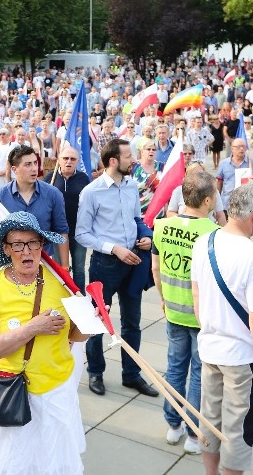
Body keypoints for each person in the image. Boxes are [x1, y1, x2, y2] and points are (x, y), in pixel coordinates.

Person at [0, 211, 89, 475]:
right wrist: (32, 329)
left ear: (41, 245)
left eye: (33, 243)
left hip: (55, 391)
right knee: (17, 465)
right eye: (18, 244)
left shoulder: (62, 283)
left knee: (55, 465)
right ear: (6, 249)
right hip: (13, 392)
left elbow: (75, 336)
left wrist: (92, 323)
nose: (26, 251)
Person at [191, 184, 253, 475]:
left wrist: (213, 329)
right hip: (243, 357)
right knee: (239, 429)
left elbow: (197, 296)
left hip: (210, 348)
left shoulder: (205, 242)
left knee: (210, 421)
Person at [76, 138, 158, 397]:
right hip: (105, 265)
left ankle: (131, 375)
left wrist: (146, 237)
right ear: (113, 161)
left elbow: (137, 219)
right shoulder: (91, 192)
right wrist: (114, 249)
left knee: (132, 323)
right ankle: (96, 373)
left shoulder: (132, 186)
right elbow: (82, 234)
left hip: (133, 262)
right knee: (97, 322)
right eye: (128, 156)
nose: (133, 160)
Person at [152, 171, 219, 455]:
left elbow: (155, 268)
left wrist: (164, 299)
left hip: (173, 310)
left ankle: (173, 425)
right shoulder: (213, 233)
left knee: (175, 369)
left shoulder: (162, 226)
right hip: (201, 315)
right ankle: (193, 432)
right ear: (206, 199)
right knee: (198, 374)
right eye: (215, 193)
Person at [0, 145, 70, 264]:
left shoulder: (53, 194)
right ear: (14, 169)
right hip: (10, 264)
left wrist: (65, 267)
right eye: (28, 164)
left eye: (35, 163)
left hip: (43, 262)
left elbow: (62, 230)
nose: (34, 168)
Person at [44, 145, 91, 289]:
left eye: (72, 159)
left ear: (77, 161)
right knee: (59, 268)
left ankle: (80, 298)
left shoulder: (83, 178)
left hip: (78, 231)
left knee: (79, 269)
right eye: (65, 158)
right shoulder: (50, 178)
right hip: (58, 232)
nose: (68, 161)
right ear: (59, 159)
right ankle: (60, 297)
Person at [216, 138, 253, 213]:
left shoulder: (252, 162)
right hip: (228, 203)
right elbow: (219, 182)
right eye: (239, 147)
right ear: (232, 148)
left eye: (244, 146)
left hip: (246, 204)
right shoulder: (224, 164)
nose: (242, 149)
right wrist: (217, 201)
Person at [132, 140, 165, 216]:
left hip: (158, 212)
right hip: (139, 212)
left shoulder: (162, 167)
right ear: (142, 151)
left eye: (153, 149)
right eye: (148, 149)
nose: (151, 151)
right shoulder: (134, 167)